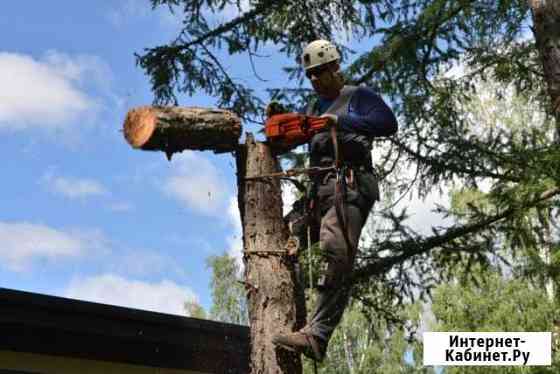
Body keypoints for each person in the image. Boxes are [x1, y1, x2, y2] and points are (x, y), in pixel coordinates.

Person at [270, 39, 398, 361]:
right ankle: (293, 317)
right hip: (318, 193)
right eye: (310, 75)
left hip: (348, 187)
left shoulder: (358, 97)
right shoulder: (314, 110)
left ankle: (316, 336)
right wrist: (280, 130)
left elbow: (387, 124)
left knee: (337, 253)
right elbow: (299, 140)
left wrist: (342, 122)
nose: (314, 80)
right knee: (279, 239)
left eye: (320, 72)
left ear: (335, 67)